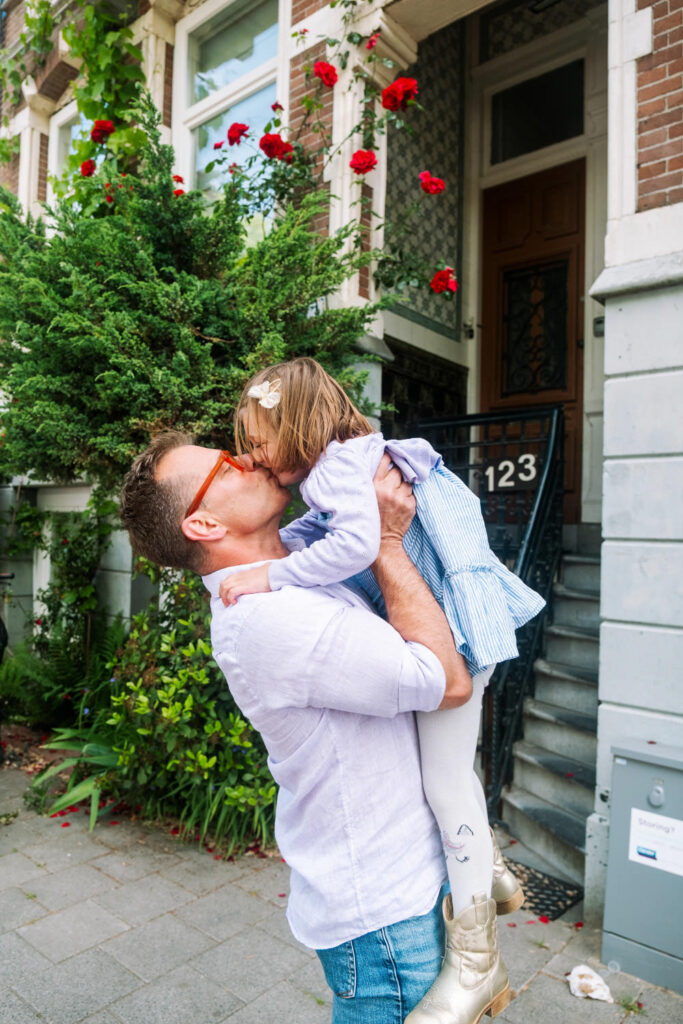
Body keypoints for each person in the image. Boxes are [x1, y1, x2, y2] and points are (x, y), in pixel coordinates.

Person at [120, 432, 519, 1023]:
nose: (249, 457)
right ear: (203, 525)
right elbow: (447, 682)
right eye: (226, 465)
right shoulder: (268, 619)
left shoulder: (292, 571)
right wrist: (384, 539)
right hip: (387, 919)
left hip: (408, 883)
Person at [215, 357, 545, 1024]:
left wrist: (269, 578)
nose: (252, 455)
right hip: (450, 616)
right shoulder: (344, 466)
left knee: (447, 777)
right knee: (450, 769)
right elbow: (337, 537)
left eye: (258, 439)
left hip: (452, 629)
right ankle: (490, 873)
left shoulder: (340, 468)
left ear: (299, 425)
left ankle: (477, 962)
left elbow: (359, 542)